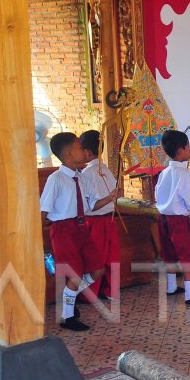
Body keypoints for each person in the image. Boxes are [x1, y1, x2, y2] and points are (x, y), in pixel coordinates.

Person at [40, 132, 111, 331]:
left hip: (81, 226)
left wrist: (110, 197)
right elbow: (43, 210)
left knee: (98, 269)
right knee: (75, 275)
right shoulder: (56, 179)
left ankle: (68, 299)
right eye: (80, 148)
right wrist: (39, 240)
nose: (85, 151)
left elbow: (90, 206)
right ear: (69, 154)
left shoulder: (81, 177)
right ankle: (67, 316)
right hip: (63, 230)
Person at [154, 130, 190, 305]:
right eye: (188, 147)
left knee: (169, 252)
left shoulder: (163, 173)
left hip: (163, 218)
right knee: (186, 254)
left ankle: (171, 286)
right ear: (180, 150)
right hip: (179, 221)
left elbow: (157, 195)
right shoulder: (185, 175)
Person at [80, 129, 121, 302]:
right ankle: (112, 291)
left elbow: (89, 206)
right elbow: (116, 194)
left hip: (94, 222)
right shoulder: (108, 171)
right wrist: (111, 197)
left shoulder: (86, 174)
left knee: (95, 258)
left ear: (87, 152)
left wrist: (109, 198)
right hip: (110, 220)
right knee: (112, 256)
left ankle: (91, 293)